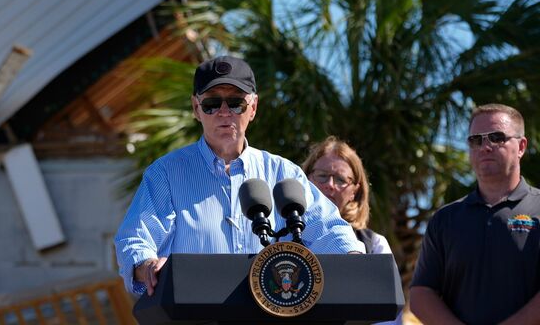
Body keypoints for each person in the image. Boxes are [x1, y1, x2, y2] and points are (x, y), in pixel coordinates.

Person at [114, 56, 363, 296]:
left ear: (253, 108)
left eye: (236, 103)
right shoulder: (166, 173)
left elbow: (329, 230)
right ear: (196, 108)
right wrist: (146, 266)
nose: (224, 112)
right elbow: (135, 238)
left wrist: (355, 260)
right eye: (211, 104)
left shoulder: (283, 173)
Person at [411, 103, 540, 325]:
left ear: (521, 146)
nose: (485, 146)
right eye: (476, 140)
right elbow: (421, 294)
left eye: (497, 137)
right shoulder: (445, 219)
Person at [302, 136, 392, 254]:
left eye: (340, 179)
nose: (330, 185)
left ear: (354, 191)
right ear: (306, 178)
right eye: (322, 175)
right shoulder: (283, 234)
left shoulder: (374, 244)